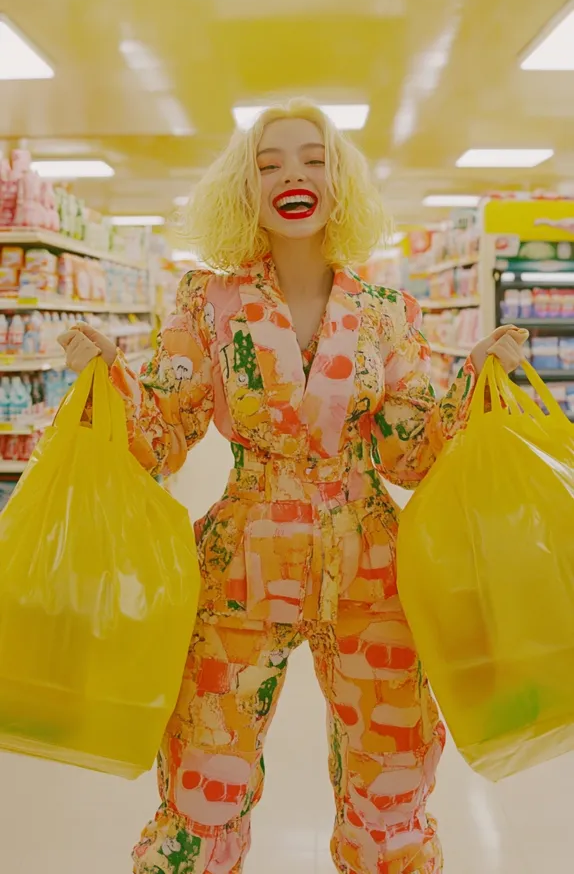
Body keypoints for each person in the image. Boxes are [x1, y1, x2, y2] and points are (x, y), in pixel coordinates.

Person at [59, 101, 527, 874]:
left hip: (374, 573)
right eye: (269, 163)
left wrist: (476, 378)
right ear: (245, 188)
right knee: (206, 784)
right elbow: (165, 433)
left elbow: (411, 457)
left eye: (313, 159)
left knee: (395, 779)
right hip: (239, 572)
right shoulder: (207, 304)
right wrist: (107, 375)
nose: (292, 176)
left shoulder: (386, 314)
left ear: (338, 182)